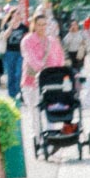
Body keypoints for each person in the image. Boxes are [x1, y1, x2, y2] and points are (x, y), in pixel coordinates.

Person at [20, 8, 65, 136]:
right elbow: (31, 59)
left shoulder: (52, 41)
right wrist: (44, 69)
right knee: (35, 113)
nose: (42, 27)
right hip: (31, 82)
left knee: (51, 111)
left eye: (44, 24)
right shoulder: (27, 41)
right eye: (39, 25)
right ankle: (39, 140)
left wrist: (57, 74)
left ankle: (52, 139)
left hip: (49, 84)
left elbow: (60, 59)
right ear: (34, 25)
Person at [0, 7, 27, 104]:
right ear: (12, 15)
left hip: (20, 53)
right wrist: (11, 26)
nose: (18, 15)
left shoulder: (24, 27)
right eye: (16, 13)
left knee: (18, 74)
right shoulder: (6, 25)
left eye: (19, 13)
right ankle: (11, 95)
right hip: (9, 53)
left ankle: (18, 93)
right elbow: (5, 37)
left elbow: (26, 40)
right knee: (10, 74)